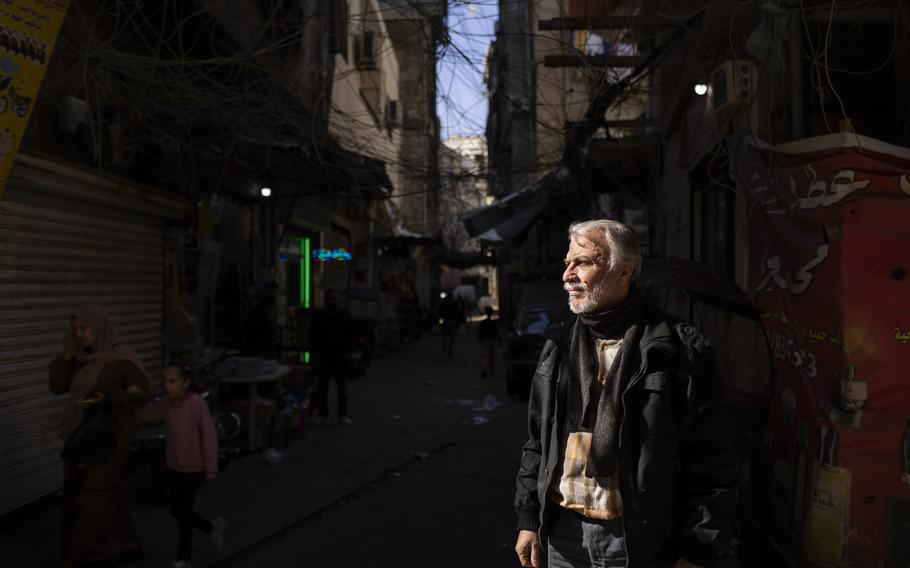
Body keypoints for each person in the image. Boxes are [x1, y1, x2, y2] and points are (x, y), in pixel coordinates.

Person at [513, 220, 738, 568]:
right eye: (567, 263)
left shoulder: (675, 349)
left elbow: (710, 459)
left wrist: (698, 548)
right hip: (563, 535)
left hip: (638, 537)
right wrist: (529, 519)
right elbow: (537, 443)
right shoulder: (558, 348)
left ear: (624, 271)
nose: (567, 275)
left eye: (583, 262)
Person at [49, 305, 152, 567]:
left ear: (99, 327)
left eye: (83, 328)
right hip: (81, 437)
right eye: (75, 329)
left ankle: (79, 558)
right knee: (79, 494)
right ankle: (120, 547)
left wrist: (112, 397)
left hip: (111, 438)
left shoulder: (121, 360)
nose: (79, 334)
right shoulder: (82, 360)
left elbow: (141, 397)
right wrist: (67, 354)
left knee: (92, 498)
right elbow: (58, 387)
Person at [139, 365, 224, 568]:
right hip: (174, 466)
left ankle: (183, 559)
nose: (167, 386)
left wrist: (211, 466)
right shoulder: (167, 403)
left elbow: (209, 436)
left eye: (172, 381)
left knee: (183, 512)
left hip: (194, 469)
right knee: (177, 511)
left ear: (185, 383)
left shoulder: (196, 404)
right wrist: (133, 401)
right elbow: (149, 414)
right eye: (165, 381)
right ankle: (211, 528)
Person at [309, 289, 355, 425]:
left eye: (334, 299)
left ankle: (343, 415)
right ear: (326, 300)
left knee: (342, 388)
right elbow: (313, 336)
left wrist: (349, 351)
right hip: (324, 356)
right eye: (330, 299)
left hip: (341, 357)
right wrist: (314, 354)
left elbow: (352, 335)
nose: (332, 301)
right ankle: (323, 414)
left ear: (339, 300)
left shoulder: (346, 316)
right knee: (322, 387)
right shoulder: (319, 317)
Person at [438, 291, 463, 357]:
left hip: (445, 321)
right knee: (452, 336)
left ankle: (444, 344)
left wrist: (440, 321)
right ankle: (450, 349)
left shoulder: (443, 303)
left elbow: (440, 313)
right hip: (452, 321)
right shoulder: (454, 303)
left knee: (444, 334)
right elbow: (458, 312)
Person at [478, 306, 499, 378]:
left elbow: (480, 332)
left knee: (485, 356)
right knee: (492, 356)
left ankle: (484, 368)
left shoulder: (483, 323)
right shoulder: (493, 323)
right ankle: (492, 371)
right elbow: (496, 332)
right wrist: (499, 340)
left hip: (485, 340)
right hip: (492, 340)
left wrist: (480, 339)